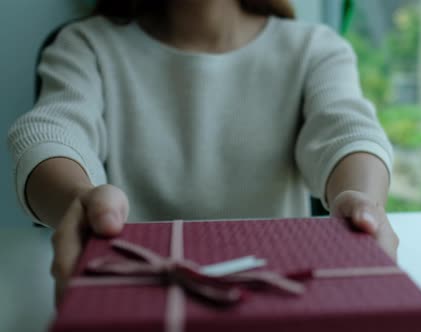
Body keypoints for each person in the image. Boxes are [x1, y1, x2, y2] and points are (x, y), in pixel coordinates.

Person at [7, 0, 398, 303]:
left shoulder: (314, 48)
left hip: (276, 298)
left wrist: (362, 203)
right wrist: (79, 199)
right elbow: (51, 131)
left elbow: (345, 130)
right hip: (134, 297)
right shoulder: (86, 46)